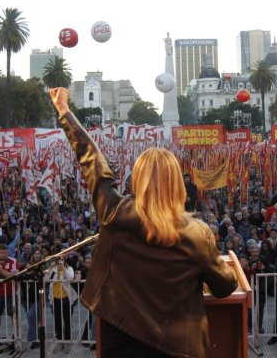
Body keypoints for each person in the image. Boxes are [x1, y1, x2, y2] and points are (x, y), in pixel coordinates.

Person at [50, 87, 237, 358]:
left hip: (121, 341)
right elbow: (224, 287)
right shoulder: (199, 234)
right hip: (177, 346)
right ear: (177, 184)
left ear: (137, 180)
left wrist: (65, 112)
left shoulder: (115, 211)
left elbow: (93, 163)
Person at [45, 257, 78, 352]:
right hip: (55, 299)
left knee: (67, 321)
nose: (60, 262)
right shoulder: (53, 271)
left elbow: (71, 278)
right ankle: (59, 342)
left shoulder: (69, 268)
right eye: (58, 261)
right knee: (57, 322)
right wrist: (50, 269)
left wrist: (63, 268)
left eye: (62, 261)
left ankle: (67, 342)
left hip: (66, 300)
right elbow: (45, 279)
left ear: (64, 261)